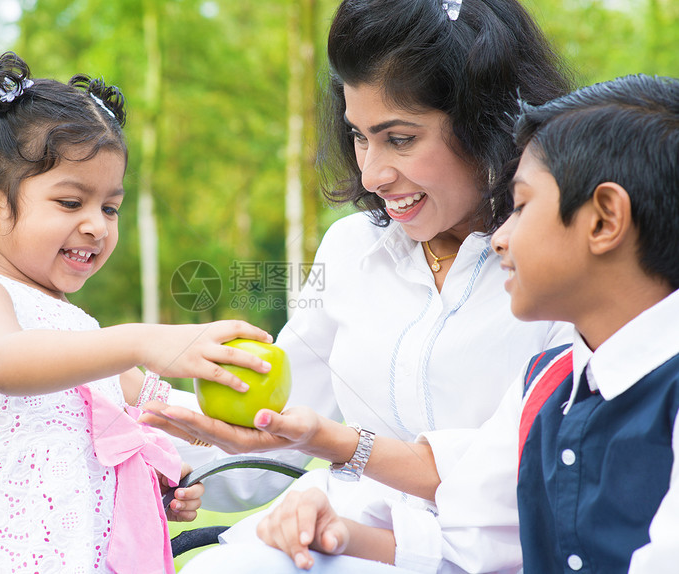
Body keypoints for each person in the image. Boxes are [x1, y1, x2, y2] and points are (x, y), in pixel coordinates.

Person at [143, 0, 574, 568]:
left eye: (399, 139)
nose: (371, 174)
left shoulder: (565, 269)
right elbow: (280, 424)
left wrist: (337, 448)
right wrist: (146, 427)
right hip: (331, 533)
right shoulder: (351, 250)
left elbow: (514, 479)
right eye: (358, 137)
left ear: (488, 123)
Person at [238, 73, 679, 573]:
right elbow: (471, 540)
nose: (498, 237)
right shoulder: (550, 382)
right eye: (359, 136)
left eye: (522, 206)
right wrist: (337, 532)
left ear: (603, 220)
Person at [0, 52, 274, 574]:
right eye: (72, 203)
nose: (97, 225)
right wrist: (139, 340)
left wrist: (213, 430)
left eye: (110, 207)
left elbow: (162, 409)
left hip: (81, 546)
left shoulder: (83, 331)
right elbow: (5, 362)